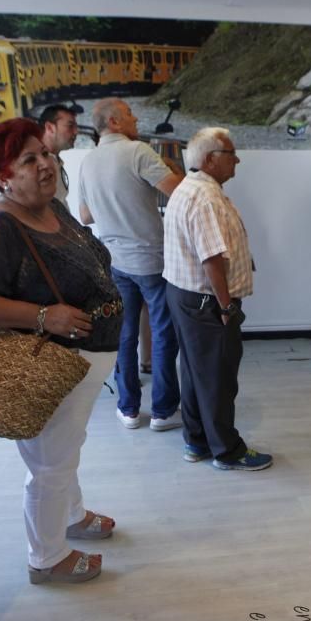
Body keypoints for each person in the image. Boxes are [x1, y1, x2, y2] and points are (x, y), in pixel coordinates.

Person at [0, 118, 122, 584]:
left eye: (44, 154)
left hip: (84, 362)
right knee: (51, 463)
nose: (45, 164)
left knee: (65, 450)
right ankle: (47, 558)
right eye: (29, 160)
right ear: (2, 175)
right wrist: (45, 316)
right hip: (51, 363)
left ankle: (72, 516)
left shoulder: (50, 208)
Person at [163, 127, 273, 471]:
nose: (237, 159)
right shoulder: (207, 197)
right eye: (231, 154)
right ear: (210, 159)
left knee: (197, 373)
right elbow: (211, 258)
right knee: (218, 378)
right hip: (206, 302)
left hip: (184, 295)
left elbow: (211, 245)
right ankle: (227, 450)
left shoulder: (191, 187)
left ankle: (197, 442)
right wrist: (226, 306)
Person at [78, 98, 183, 431]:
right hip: (151, 259)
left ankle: (128, 409)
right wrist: (171, 169)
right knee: (164, 333)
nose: (136, 118)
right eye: (130, 114)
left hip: (115, 263)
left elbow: (86, 216)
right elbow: (177, 193)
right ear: (114, 121)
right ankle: (164, 411)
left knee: (125, 336)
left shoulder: (88, 162)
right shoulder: (139, 152)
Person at [38, 104, 79, 209]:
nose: (76, 132)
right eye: (70, 126)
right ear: (50, 128)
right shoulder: (37, 166)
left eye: (76, 127)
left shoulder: (55, 160)